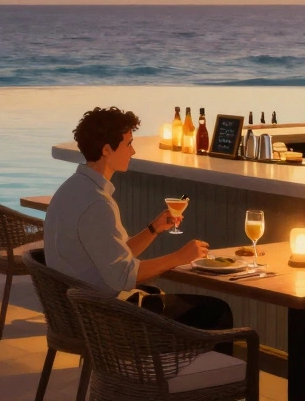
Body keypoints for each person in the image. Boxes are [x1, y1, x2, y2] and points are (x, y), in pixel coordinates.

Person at [45, 107, 233, 336]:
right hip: (99, 318)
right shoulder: (97, 204)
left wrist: (153, 229)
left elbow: (116, 256)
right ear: (107, 150)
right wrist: (180, 257)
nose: (133, 151)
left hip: (73, 309)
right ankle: (184, 370)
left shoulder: (72, 189)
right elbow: (124, 277)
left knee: (159, 295)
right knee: (217, 311)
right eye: (128, 144)